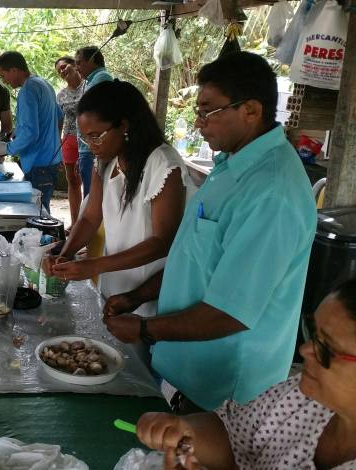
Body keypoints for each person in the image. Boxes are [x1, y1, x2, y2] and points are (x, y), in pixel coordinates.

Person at [103, 52, 317, 413]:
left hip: (226, 394)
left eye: (208, 111)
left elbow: (229, 312)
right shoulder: (230, 165)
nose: (199, 123)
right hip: (188, 373)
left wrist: (144, 329)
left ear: (250, 110)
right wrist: (137, 295)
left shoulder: (271, 192)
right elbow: (195, 258)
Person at [136, 279, 356, 470]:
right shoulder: (300, 398)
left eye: (327, 349)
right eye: (312, 332)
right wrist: (183, 434)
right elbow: (235, 435)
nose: (305, 350)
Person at [42, 80, 193, 326]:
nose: (91, 145)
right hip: (113, 287)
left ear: (124, 125)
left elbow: (162, 242)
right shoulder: (106, 161)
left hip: (146, 294)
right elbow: (90, 217)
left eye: (96, 136)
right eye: (85, 138)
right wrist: (65, 255)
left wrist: (96, 265)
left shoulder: (163, 164)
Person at [0, 51, 63, 213]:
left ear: (14, 70)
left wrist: (7, 148)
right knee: (42, 210)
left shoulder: (27, 90)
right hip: (51, 160)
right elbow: (58, 117)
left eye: (3, 75)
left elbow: (31, 134)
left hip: (38, 164)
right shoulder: (44, 84)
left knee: (36, 215)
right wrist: (18, 130)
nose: (4, 81)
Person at [75, 46, 113, 197]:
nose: (77, 68)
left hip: (94, 149)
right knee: (89, 195)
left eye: (79, 63)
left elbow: (98, 117)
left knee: (92, 197)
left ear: (92, 60)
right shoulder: (92, 80)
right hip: (88, 148)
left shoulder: (102, 78)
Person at [54, 56, 83, 225]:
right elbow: (59, 121)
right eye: (59, 71)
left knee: (88, 179)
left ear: (75, 65)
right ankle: (75, 222)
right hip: (69, 140)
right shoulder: (61, 95)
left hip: (87, 141)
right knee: (72, 180)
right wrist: (58, 142)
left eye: (64, 67)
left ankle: (89, 223)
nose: (62, 71)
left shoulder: (88, 86)